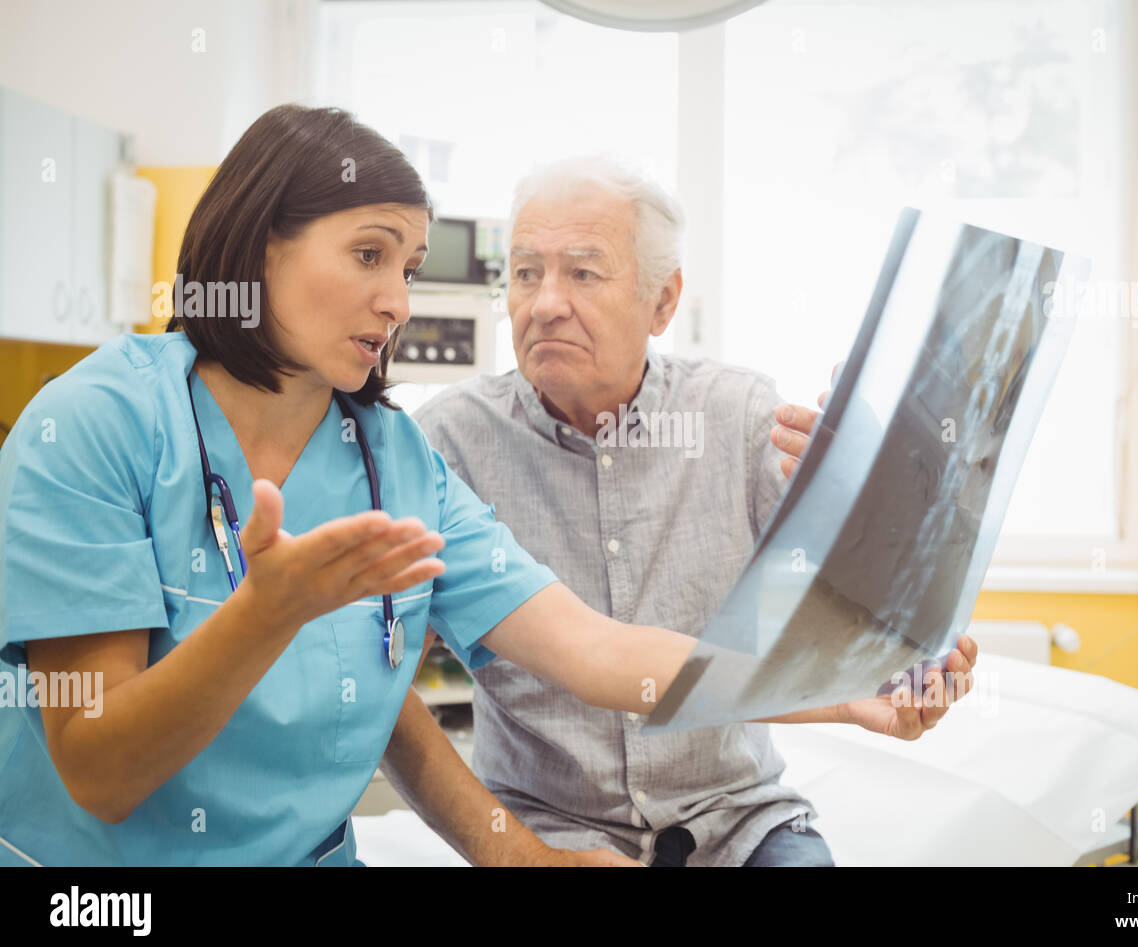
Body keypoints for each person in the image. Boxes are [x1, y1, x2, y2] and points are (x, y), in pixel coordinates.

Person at [0, 107, 974, 867]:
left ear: (662, 299)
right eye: (370, 253)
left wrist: (847, 684)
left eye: (410, 266)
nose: (399, 301)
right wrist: (266, 612)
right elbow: (101, 769)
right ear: (259, 244)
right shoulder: (93, 425)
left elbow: (597, 651)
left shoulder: (393, 458)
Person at [413, 156, 979, 866]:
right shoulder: (446, 444)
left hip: (739, 820)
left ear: (663, 301)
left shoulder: (741, 417)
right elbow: (384, 680)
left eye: (583, 272)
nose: (545, 303)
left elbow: (865, 611)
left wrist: (889, 519)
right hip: (547, 829)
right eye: (526, 273)